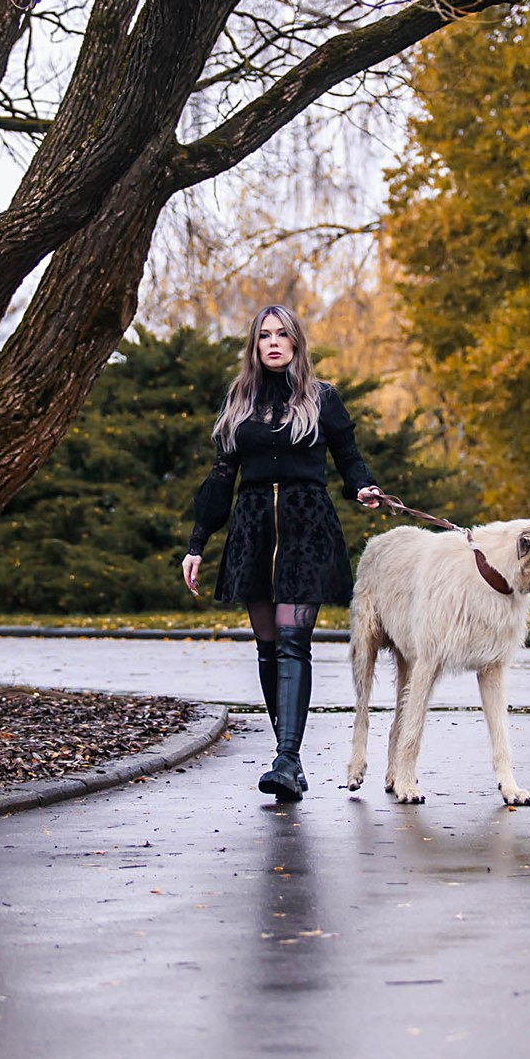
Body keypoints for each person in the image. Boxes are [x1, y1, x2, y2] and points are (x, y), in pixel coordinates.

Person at [182, 305, 382, 803]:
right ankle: (286, 754)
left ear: (296, 343)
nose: (273, 342)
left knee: (294, 641)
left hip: (306, 528)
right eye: (264, 336)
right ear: (255, 345)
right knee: (269, 647)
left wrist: (364, 488)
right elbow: (221, 476)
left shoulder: (322, 398)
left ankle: (287, 760)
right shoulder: (240, 401)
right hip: (253, 530)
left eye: (282, 335)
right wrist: (197, 544)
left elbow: (349, 460)